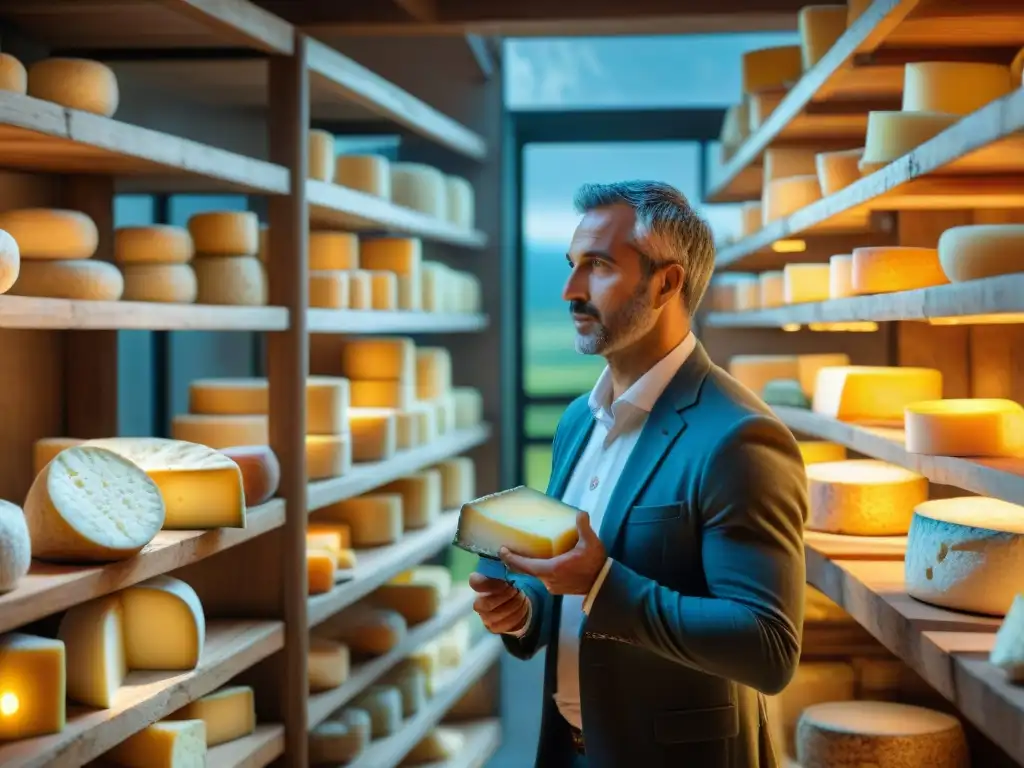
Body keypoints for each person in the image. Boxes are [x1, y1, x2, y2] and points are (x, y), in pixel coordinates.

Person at [469, 181, 808, 767]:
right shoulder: (578, 421)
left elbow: (768, 646)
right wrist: (525, 608)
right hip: (569, 751)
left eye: (597, 267)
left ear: (667, 283)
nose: (570, 290)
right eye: (573, 265)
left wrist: (603, 583)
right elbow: (569, 578)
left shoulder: (740, 437)